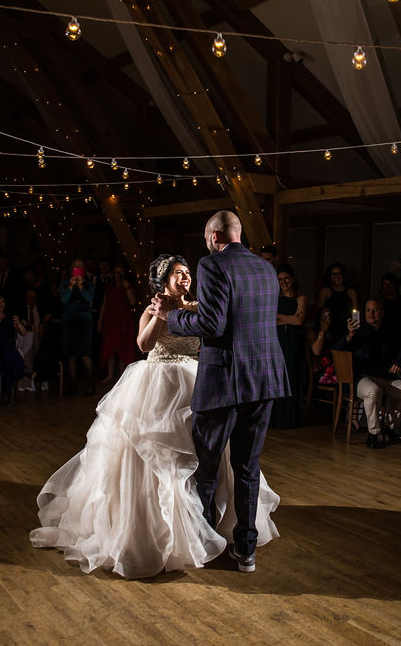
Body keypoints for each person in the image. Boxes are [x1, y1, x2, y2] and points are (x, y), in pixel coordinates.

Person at [32, 253, 279, 579]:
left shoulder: (199, 307)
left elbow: (209, 339)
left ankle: (205, 526)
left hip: (197, 383)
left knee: (205, 457)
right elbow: (144, 345)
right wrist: (161, 315)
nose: (186, 277)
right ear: (164, 281)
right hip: (158, 383)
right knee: (157, 457)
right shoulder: (153, 309)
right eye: (179, 273)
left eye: (188, 272)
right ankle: (161, 531)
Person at [153, 211, 289, 573]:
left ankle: (205, 544)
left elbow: (212, 323)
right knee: (247, 466)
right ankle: (246, 551)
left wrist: (173, 318)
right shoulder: (266, 269)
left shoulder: (213, 265)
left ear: (214, 236)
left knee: (207, 467)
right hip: (264, 378)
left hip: (225, 379)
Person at [335, 299, 401, 448]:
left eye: (375, 310)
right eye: (368, 310)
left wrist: (398, 362)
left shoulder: (390, 330)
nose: (372, 314)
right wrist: (350, 335)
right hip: (362, 378)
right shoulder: (357, 331)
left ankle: (388, 426)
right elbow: (339, 350)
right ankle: (373, 434)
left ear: (382, 312)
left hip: (385, 377)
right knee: (373, 390)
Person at [271, 263, 307, 429]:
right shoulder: (274, 298)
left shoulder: (300, 298)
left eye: (286, 278)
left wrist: (279, 317)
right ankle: (276, 420)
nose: (283, 282)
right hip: (277, 341)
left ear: (292, 279)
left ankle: (289, 420)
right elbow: (268, 321)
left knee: (290, 377)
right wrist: (289, 319)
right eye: (280, 279)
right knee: (276, 378)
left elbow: (299, 320)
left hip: (292, 341)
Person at [60, 258, 96, 395]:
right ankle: (73, 385)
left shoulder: (89, 284)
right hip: (69, 321)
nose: (77, 269)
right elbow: (64, 299)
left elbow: (89, 298)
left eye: (80, 267)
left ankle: (90, 384)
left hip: (84, 321)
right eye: (75, 267)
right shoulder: (65, 283)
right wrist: (70, 286)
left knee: (85, 354)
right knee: (71, 355)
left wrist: (81, 287)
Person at [97, 264, 137, 385]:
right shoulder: (109, 287)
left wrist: (126, 286)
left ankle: (122, 376)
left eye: (121, 272)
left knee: (122, 347)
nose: (118, 275)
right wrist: (99, 322)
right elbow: (104, 304)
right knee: (110, 348)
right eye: (116, 272)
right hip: (110, 321)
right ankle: (110, 375)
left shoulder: (128, 287)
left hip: (124, 320)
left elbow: (133, 302)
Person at [317, 262, 359, 342]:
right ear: (330, 276)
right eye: (333, 274)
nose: (336, 277)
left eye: (339, 274)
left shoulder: (351, 292)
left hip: (347, 330)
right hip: (330, 331)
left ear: (343, 275)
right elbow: (319, 313)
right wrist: (325, 332)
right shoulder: (325, 291)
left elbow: (356, 314)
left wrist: (352, 331)